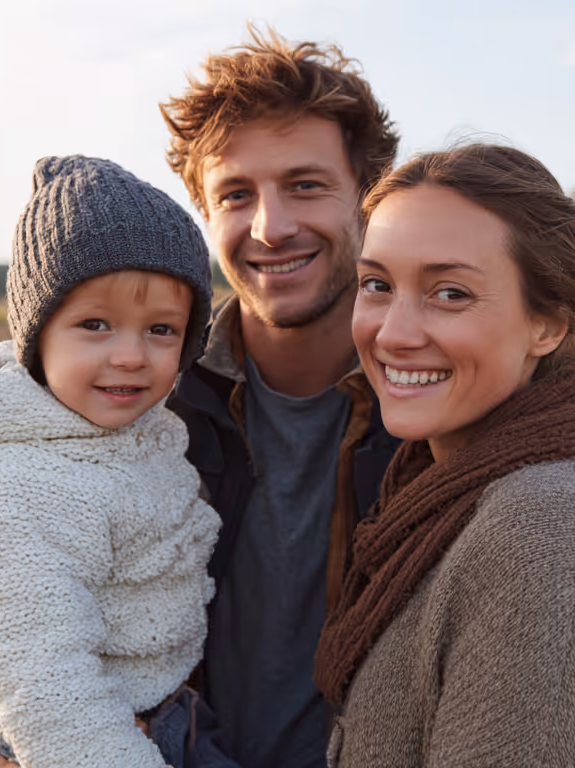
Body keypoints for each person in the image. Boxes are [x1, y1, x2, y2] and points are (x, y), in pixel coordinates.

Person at [315, 144, 575, 767]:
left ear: (547, 325)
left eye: (450, 293)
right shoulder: (440, 490)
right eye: (377, 285)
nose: (393, 332)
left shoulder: (550, 529)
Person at [0, 155, 233, 766]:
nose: (131, 355)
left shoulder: (127, 434)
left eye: (161, 330)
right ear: (35, 338)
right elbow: (41, 683)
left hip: (169, 719)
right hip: (85, 743)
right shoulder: (8, 491)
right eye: (94, 325)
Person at [157, 27, 403, 768]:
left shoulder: (436, 406)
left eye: (305, 184)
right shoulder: (147, 405)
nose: (272, 227)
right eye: (236, 195)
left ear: (368, 198)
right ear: (205, 214)